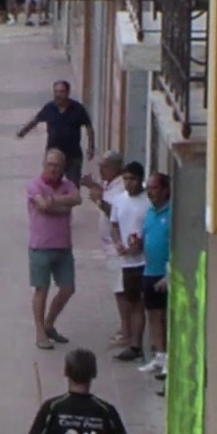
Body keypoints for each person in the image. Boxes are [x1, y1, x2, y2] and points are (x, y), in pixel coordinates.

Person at [27, 149, 82, 350]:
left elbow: (77, 199)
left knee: (68, 288)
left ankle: (50, 323)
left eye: (57, 165)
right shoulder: (34, 185)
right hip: (40, 246)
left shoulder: (68, 185)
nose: (52, 168)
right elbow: (42, 206)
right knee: (41, 289)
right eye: (49, 164)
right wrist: (63, 205)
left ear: (62, 168)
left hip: (63, 246)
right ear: (44, 165)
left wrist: (55, 201)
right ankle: (40, 332)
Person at [79, 151, 128, 347]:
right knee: (117, 288)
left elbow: (116, 212)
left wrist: (99, 201)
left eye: (105, 166)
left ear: (116, 167)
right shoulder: (110, 184)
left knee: (121, 290)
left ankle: (126, 330)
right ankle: (124, 326)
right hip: (109, 246)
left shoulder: (121, 188)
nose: (101, 170)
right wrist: (93, 186)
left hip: (118, 246)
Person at [107, 162, 150, 363]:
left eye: (132, 179)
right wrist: (118, 243)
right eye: (125, 179)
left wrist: (141, 245)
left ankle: (140, 343)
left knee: (143, 304)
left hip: (146, 260)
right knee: (132, 302)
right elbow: (114, 225)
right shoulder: (118, 201)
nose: (128, 183)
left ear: (140, 179)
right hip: (127, 261)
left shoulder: (148, 202)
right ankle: (134, 344)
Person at [16, 80, 96, 185]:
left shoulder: (78, 109)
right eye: (56, 92)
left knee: (73, 186)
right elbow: (36, 120)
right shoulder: (49, 108)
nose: (58, 95)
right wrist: (23, 132)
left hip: (72, 155)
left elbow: (89, 127)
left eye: (61, 92)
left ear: (68, 93)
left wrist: (91, 147)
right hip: (53, 154)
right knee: (49, 184)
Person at [137, 173, 172, 380]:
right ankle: (159, 355)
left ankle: (169, 358)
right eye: (148, 188)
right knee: (153, 315)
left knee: (165, 317)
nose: (150, 192)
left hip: (164, 273)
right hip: (149, 270)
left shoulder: (173, 214)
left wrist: (169, 275)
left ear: (165, 190)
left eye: (154, 188)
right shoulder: (150, 212)